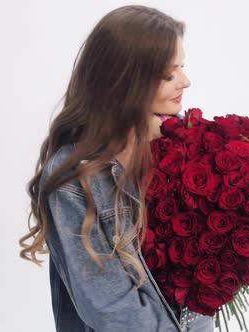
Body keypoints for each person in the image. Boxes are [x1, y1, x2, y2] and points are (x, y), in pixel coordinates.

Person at [20, 5, 214, 331]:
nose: (186, 81)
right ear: (126, 82)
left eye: (182, 67)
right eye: (169, 74)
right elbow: (109, 309)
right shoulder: (73, 181)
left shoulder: (186, 145)